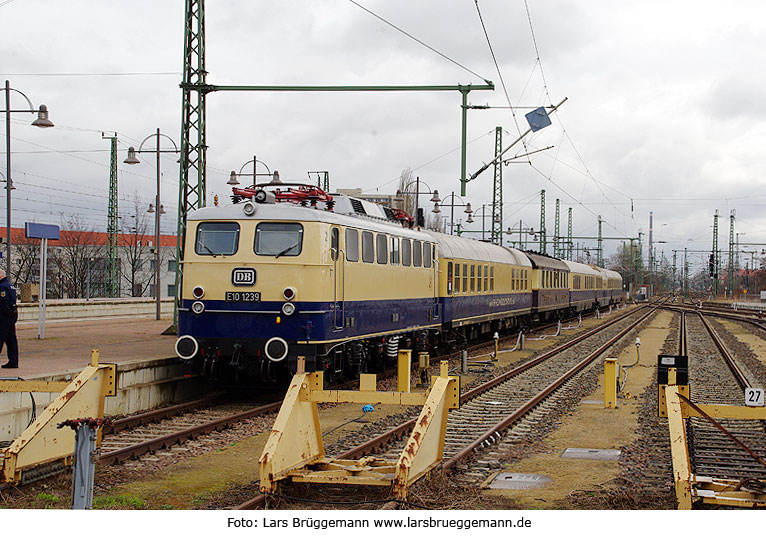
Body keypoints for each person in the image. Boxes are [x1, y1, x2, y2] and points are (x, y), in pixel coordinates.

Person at [0, 269, 19, 369]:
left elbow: (3, 303)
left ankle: (13, 361)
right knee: (11, 340)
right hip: (11, 316)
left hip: (4, 317)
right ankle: (13, 361)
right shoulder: (10, 286)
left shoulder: (2, 287)